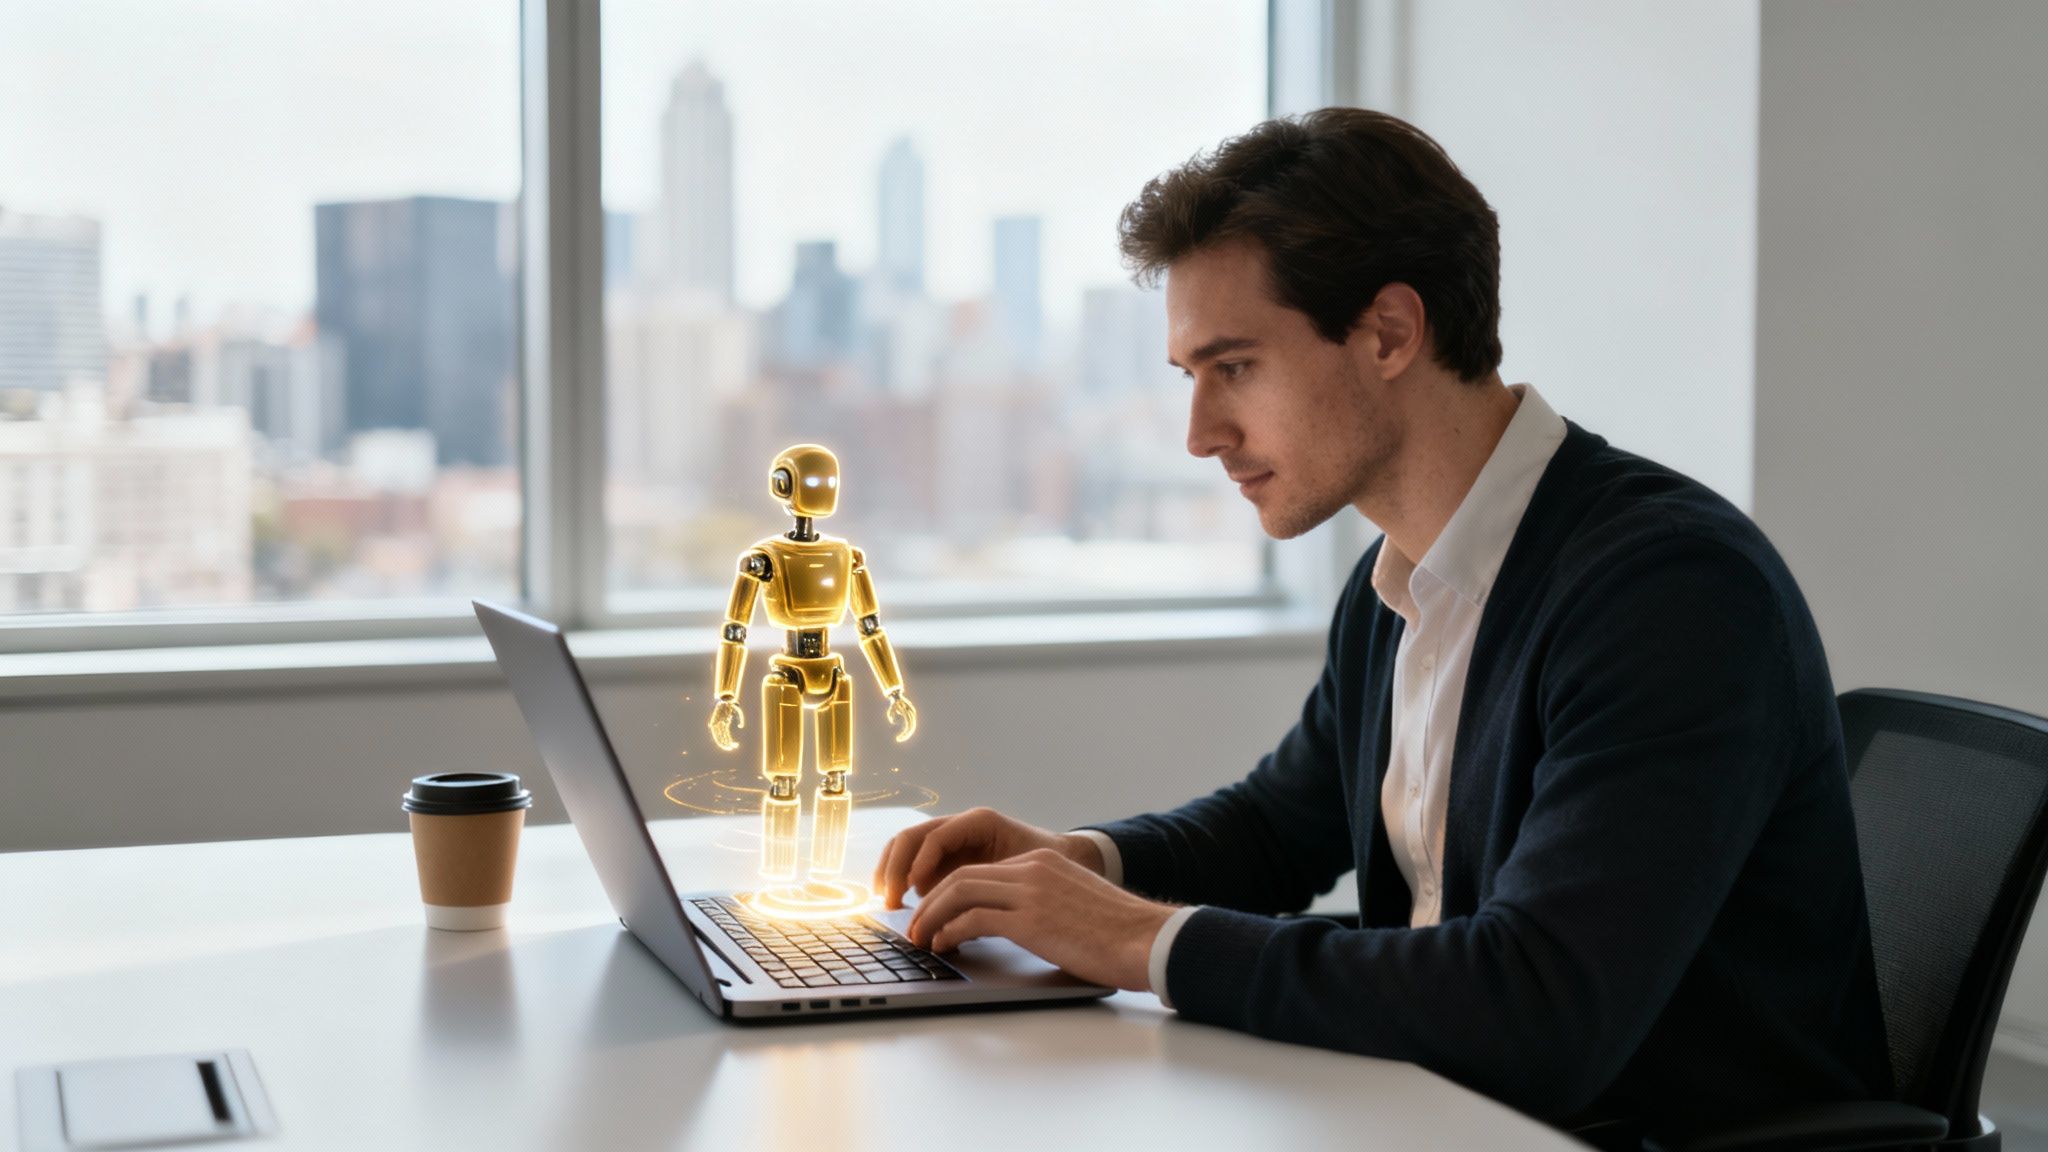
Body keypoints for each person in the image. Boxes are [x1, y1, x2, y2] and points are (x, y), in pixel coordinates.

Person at [872, 108, 1891, 1133]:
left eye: (1235, 368)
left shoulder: (1668, 591)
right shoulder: (1397, 582)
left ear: (1390, 333)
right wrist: (1083, 864)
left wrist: (1137, 939)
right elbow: (1279, 826)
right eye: (1189, 378)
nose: (1199, 434)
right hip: (1441, 1112)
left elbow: (1539, 1008)